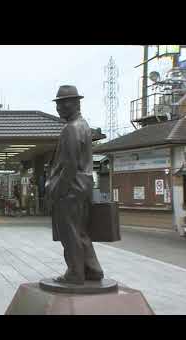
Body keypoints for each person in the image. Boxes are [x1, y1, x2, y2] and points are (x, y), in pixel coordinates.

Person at [46, 85, 103, 285]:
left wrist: (57, 190)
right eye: (58, 104)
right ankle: (93, 269)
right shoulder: (84, 125)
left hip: (70, 189)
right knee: (80, 231)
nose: (59, 108)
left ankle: (75, 272)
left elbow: (69, 165)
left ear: (76, 103)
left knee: (69, 232)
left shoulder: (71, 128)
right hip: (82, 187)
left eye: (63, 103)